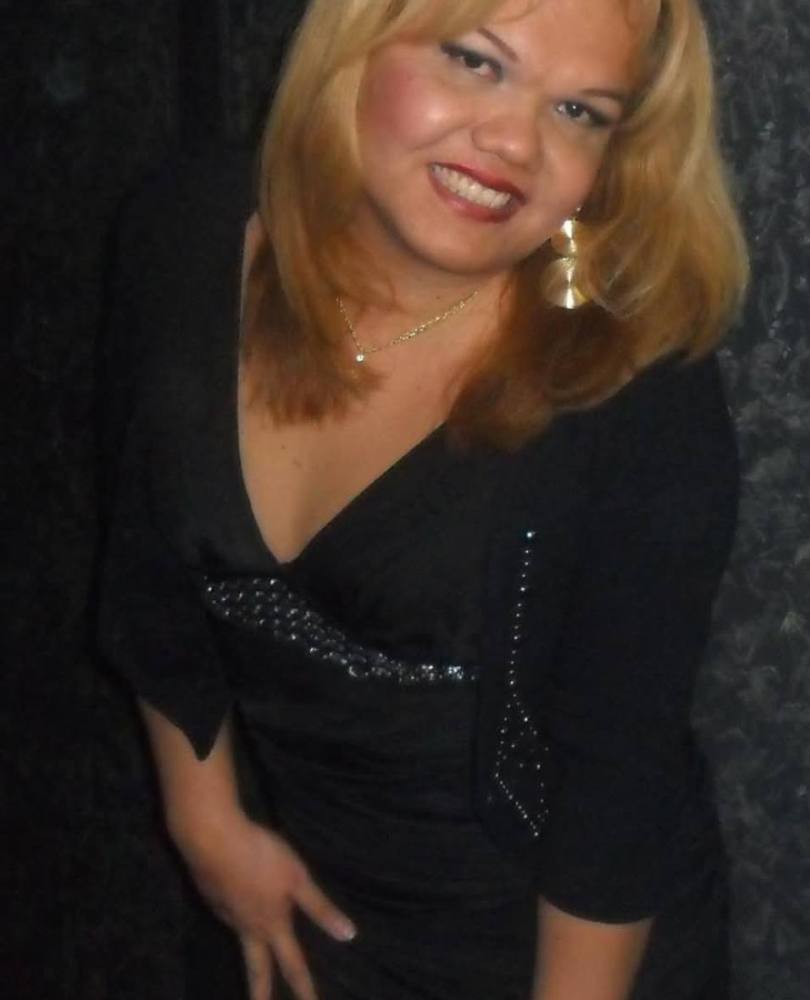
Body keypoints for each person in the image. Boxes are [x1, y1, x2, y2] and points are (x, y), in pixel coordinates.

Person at [100, 0, 749, 996]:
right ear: (354, 39)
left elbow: (616, 792)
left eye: (579, 111)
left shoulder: (628, 389)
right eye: (475, 62)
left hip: (552, 958)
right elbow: (149, 564)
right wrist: (206, 820)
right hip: (299, 913)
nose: (515, 143)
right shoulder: (189, 231)